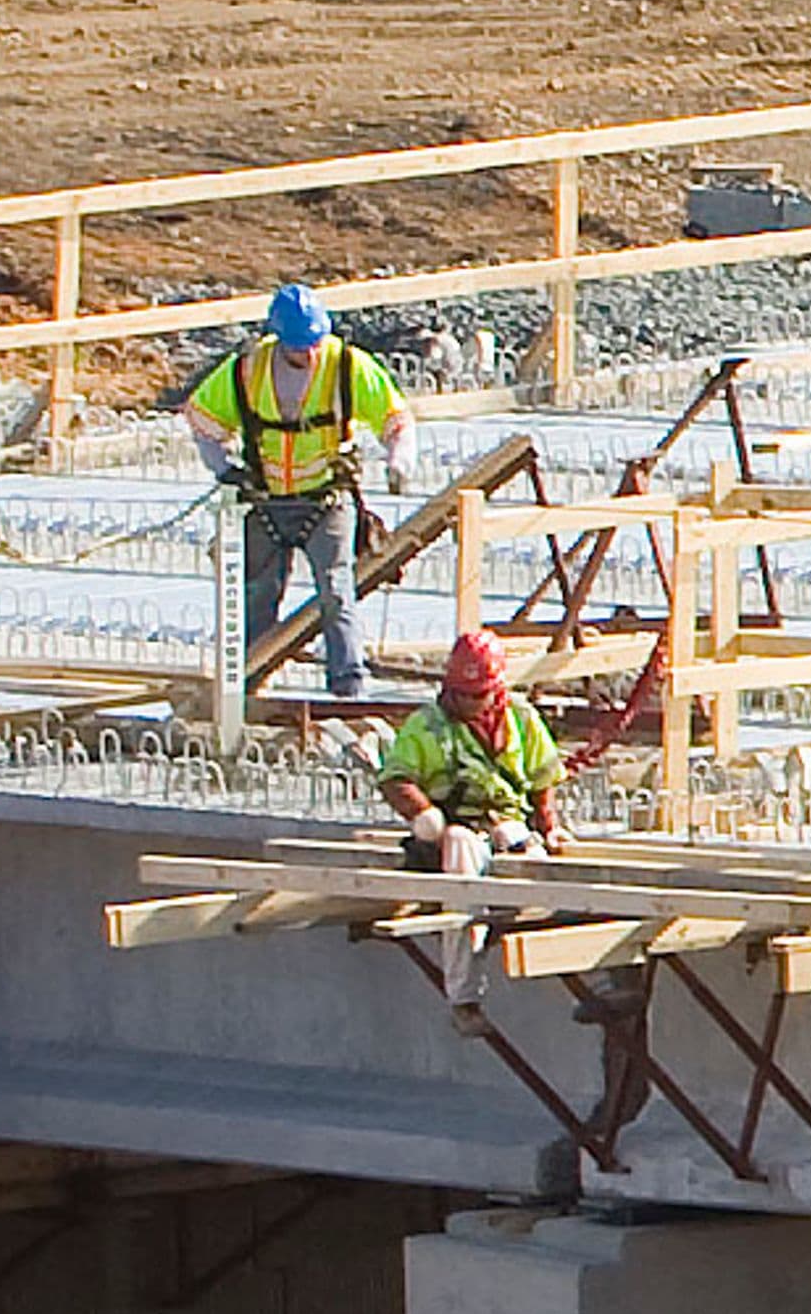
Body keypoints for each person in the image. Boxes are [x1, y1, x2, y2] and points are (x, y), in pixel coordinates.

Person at [184, 283, 417, 698]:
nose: (308, 353)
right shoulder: (248, 370)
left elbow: (396, 419)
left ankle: (349, 686)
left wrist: (398, 462)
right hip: (266, 502)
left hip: (326, 500)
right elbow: (202, 419)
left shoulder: (345, 365)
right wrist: (225, 470)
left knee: (336, 591)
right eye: (298, 346)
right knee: (257, 595)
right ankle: (248, 685)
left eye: (314, 343)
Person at [377, 631, 568, 1037]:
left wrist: (548, 827)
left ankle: (536, 934)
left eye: (476, 694)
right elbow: (395, 778)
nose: (467, 703)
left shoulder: (520, 719)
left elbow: (543, 776)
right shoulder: (427, 725)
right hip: (454, 830)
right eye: (461, 694)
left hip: (505, 822)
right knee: (463, 882)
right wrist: (423, 813)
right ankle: (464, 998)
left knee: (538, 868)